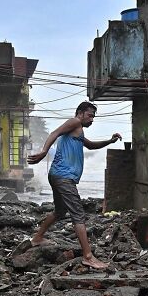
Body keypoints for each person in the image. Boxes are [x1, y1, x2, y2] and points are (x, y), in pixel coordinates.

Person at [27, 102, 122, 270]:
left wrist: (110, 140)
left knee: (60, 211)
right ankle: (88, 257)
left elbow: (91, 145)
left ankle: (37, 238)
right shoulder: (75, 122)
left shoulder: (78, 130)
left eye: (93, 116)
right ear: (80, 113)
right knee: (78, 214)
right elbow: (54, 133)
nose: (92, 119)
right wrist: (43, 152)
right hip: (64, 177)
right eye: (89, 115)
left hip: (58, 175)